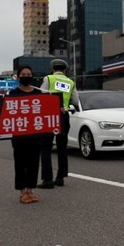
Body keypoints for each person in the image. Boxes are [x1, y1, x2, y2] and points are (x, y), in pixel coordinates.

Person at [7, 65, 43, 204]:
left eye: (29, 74)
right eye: (24, 74)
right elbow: (6, 112)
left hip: (36, 135)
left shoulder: (39, 93)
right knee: (21, 164)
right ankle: (22, 192)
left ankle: (30, 190)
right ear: (18, 76)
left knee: (34, 163)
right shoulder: (13, 94)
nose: (26, 76)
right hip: (19, 136)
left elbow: (45, 111)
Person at [39, 59, 75, 188]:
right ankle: (60, 178)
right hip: (64, 116)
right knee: (62, 147)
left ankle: (47, 180)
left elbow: (42, 94)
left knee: (46, 147)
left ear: (53, 69)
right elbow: (75, 100)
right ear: (64, 70)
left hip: (50, 116)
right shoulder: (70, 82)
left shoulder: (48, 79)